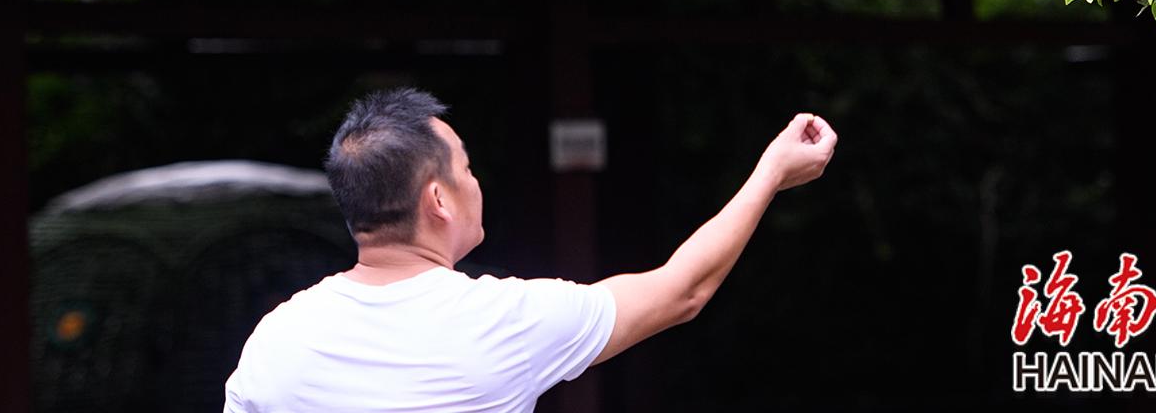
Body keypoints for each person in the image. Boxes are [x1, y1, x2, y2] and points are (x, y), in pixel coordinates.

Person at [223, 87, 837, 413]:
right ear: (438, 199)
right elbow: (683, 290)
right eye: (467, 169)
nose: (476, 183)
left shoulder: (276, 338)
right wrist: (771, 173)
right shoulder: (500, 322)